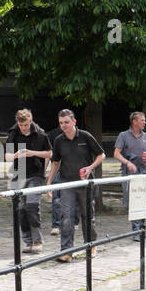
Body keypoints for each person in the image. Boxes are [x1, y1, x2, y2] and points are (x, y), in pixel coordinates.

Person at [47, 109, 105, 263]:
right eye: (60, 123)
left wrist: (90, 167)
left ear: (74, 122)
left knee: (88, 216)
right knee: (66, 217)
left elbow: (101, 154)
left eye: (66, 122)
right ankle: (67, 251)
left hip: (85, 184)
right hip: (67, 183)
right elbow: (55, 162)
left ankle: (91, 244)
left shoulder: (85, 136)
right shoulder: (58, 140)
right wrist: (49, 182)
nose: (63, 125)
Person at [4, 109, 53, 253]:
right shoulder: (13, 134)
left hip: (36, 174)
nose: (23, 127)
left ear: (30, 121)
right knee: (20, 209)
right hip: (18, 175)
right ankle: (28, 240)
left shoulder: (41, 135)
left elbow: (49, 153)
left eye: (25, 124)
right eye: (21, 125)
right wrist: (16, 155)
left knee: (32, 205)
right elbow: (6, 156)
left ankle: (37, 240)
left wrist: (33, 153)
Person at [113, 112, 146, 235]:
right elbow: (116, 153)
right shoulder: (123, 135)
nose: (145, 122)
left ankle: (138, 230)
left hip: (142, 173)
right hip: (128, 174)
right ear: (134, 121)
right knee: (129, 203)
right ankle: (138, 228)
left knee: (140, 200)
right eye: (142, 120)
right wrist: (127, 163)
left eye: (144, 120)